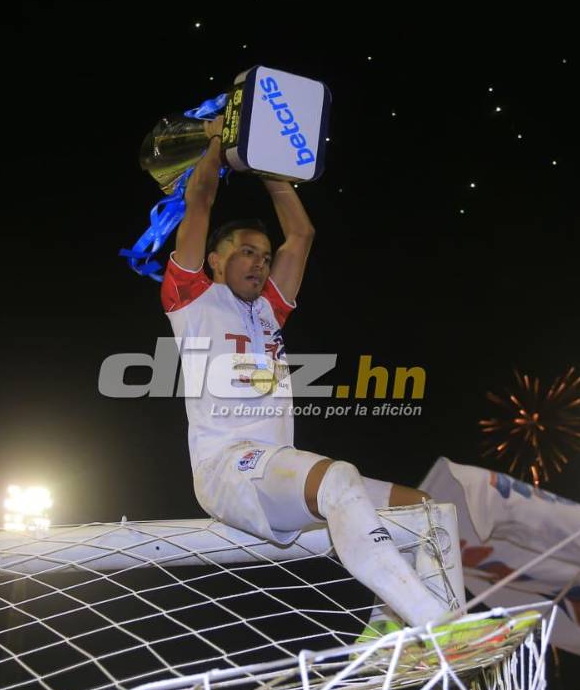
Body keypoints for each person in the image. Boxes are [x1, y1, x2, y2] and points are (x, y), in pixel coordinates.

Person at [159, 114, 450, 635]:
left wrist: (269, 165)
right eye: (246, 252)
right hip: (228, 468)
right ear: (212, 260)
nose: (259, 263)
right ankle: (435, 626)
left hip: (278, 468)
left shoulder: (268, 310)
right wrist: (214, 145)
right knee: (337, 477)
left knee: (429, 515)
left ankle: (385, 626)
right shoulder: (192, 299)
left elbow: (302, 232)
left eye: (265, 257)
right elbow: (200, 201)